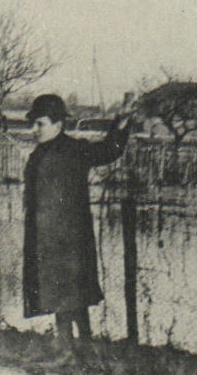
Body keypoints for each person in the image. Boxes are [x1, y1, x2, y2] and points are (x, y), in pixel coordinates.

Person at [21, 94, 132, 352]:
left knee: (73, 295)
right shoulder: (38, 153)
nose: (34, 130)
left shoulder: (74, 149)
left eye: (40, 124)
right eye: (34, 124)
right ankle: (70, 347)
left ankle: (81, 346)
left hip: (70, 237)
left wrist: (122, 123)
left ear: (58, 124)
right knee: (57, 295)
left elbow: (109, 151)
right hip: (44, 237)